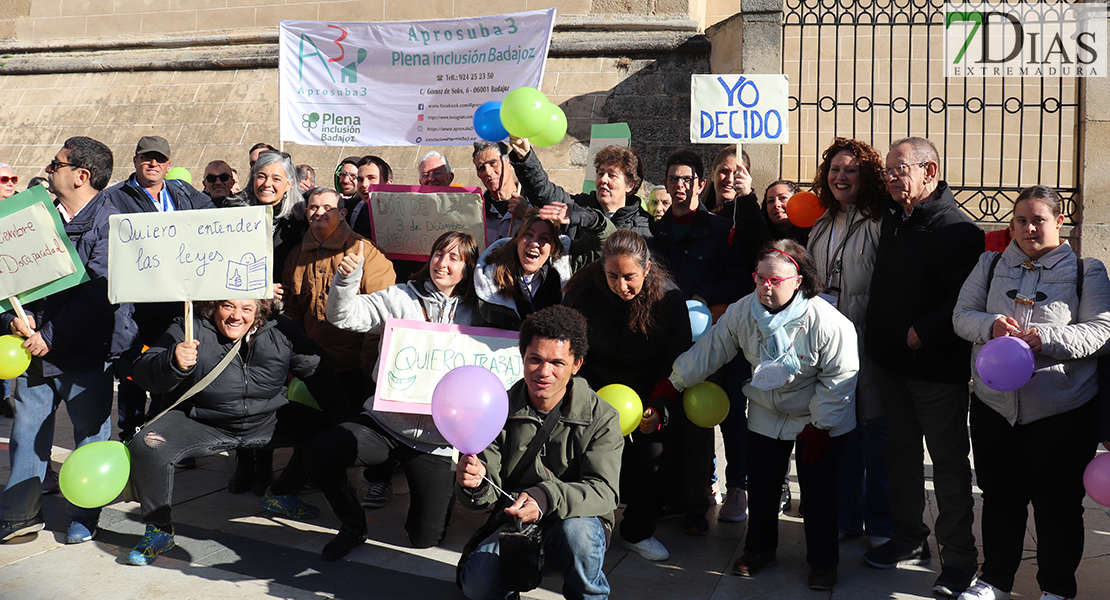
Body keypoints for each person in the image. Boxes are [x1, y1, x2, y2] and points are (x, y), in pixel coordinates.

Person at [653, 240, 858, 591]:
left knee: (819, 490)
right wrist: (674, 383)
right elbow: (712, 348)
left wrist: (820, 426)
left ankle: (824, 562)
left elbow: (840, 377)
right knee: (761, 485)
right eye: (759, 277)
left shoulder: (829, 322)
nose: (766, 285)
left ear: (798, 281)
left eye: (775, 280)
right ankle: (759, 549)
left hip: (818, 414)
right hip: (766, 407)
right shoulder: (743, 310)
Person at [952, 185, 1110, 600]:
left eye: (1038, 219)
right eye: (1021, 220)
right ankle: (995, 581)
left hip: (1061, 409)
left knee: (1057, 506)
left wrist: (1047, 338)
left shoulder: (1086, 271)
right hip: (995, 407)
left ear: (1059, 222)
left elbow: (1101, 331)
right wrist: (990, 326)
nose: (1029, 227)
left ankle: (1056, 589)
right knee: (1001, 497)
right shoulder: (989, 264)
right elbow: (961, 315)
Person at [124, 298, 351, 566]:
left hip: (267, 419)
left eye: (246, 308)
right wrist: (172, 361)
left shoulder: (281, 329)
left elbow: (319, 371)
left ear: (259, 311)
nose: (236, 316)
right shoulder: (189, 328)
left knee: (329, 436)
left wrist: (347, 423)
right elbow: (142, 371)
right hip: (204, 421)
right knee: (148, 444)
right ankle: (159, 531)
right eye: (228, 306)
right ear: (213, 306)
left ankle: (281, 493)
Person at [306, 231, 481, 559]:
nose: (442, 263)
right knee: (319, 454)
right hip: (384, 424)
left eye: (454, 258)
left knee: (425, 539)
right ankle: (353, 524)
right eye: (439, 254)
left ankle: (433, 500)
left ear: (469, 268)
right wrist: (346, 279)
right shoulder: (401, 297)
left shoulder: (479, 313)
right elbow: (342, 316)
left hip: (436, 440)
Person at [0, 136, 137, 544]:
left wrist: (50, 336)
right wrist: (13, 320)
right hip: (32, 350)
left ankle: (84, 513)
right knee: (26, 432)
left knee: (90, 436)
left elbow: (100, 294)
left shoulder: (112, 223)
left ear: (81, 175)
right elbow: (9, 277)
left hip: (85, 354)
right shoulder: (33, 215)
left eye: (56, 163)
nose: (47, 168)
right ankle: (19, 514)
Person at [863, 137, 983, 597]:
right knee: (901, 457)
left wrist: (925, 331)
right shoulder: (896, 217)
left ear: (930, 172)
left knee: (949, 467)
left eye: (899, 169)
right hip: (891, 366)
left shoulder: (958, 231)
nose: (889, 178)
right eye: (888, 170)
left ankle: (958, 560)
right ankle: (909, 540)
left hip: (935, 372)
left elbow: (964, 298)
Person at [456, 305, 623, 600]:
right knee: (477, 586)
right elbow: (487, 487)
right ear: (523, 358)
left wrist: (544, 497)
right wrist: (475, 482)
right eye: (535, 359)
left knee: (579, 536)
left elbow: (604, 492)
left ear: (577, 364)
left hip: (576, 522)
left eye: (557, 362)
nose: (544, 372)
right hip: (516, 523)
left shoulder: (602, 417)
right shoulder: (497, 408)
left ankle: (589, 595)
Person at [563, 230, 692, 562]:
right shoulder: (581, 291)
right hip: (594, 384)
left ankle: (638, 530)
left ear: (647, 269)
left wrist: (661, 405)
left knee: (655, 452)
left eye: (629, 277)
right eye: (612, 276)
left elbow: (676, 361)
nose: (621, 285)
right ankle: (583, 525)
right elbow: (570, 347)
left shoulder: (670, 300)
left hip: (648, 387)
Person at [649, 148, 751, 535]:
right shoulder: (655, 231)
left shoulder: (722, 230)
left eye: (686, 179)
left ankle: (704, 500)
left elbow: (741, 280)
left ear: (699, 184)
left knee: (704, 418)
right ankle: (672, 495)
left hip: (711, 340)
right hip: (665, 338)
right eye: (673, 179)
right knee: (667, 413)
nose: (679, 186)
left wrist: (703, 296)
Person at [806, 138, 892, 551]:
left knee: (876, 434)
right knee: (841, 433)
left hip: (869, 344)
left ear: (866, 176)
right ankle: (844, 517)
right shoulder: (821, 224)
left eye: (851, 170)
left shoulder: (879, 222)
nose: (841, 176)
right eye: (835, 169)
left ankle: (880, 522)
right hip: (830, 346)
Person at [102, 136, 216, 444]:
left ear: (168, 165)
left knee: (173, 368)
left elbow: (214, 216)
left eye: (160, 160)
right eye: (147, 158)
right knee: (132, 371)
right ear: (136, 160)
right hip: (136, 305)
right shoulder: (114, 197)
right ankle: (129, 436)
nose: (154, 164)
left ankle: (163, 434)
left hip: (177, 302)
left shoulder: (182, 192)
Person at [222, 150, 308, 493]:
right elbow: (215, 262)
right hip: (236, 315)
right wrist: (255, 286)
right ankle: (244, 461)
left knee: (268, 391)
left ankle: (264, 464)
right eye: (261, 176)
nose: (267, 184)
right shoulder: (230, 213)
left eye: (276, 178)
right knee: (237, 391)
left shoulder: (299, 222)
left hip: (278, 319)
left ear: (289, 184)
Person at [283, 187, 395, 412]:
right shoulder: (295, 256)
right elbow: (293, 313)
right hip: (313, 366)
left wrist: (369, 355)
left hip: (356, 368)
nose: (319, 213)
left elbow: (383, 311)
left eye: (328, 208)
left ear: (343, 214)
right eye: (314, 207)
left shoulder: (367, 253)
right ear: (306, 212)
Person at [472, 204, 613, 331]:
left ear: (553, 248)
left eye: (544, 238)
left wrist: (592, 220)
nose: (534, 243)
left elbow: (610, 245)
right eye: (528, 235)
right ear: (517, 240)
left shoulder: (567, 263)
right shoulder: (488, 277)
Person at [509, 137, 651, 238]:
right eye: (600, 173)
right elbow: (544, 192)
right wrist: (526, 157)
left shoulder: (646, 227)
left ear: (630, 185)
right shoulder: (577, 207)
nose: (603, 180)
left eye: (612, 175)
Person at [705, 147, 771, 262]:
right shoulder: (700, 210)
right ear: (712, 175)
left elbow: (760, 246)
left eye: (737, 173)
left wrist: (746, 197)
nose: (730, 179)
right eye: (723, 171)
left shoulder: (750, 212)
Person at [472, 140, 521, 242]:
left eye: (493, 163)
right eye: (481, 168)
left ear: (510, 164)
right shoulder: (475, 212)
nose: (488, 172)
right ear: (478, 175)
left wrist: (526, 215)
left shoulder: (533, 202)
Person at [763, 180, 810, 245]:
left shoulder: (813, 234)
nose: (776, 204)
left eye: (783, 198)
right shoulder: (759, 235)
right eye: (770, 201)